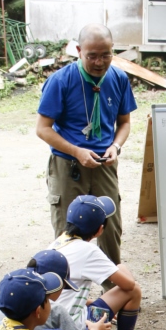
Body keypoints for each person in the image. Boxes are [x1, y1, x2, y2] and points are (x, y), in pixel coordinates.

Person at [36, 23, 136, 265]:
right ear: (79, 50)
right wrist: (77, 152)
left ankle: (112, 293)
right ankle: (68, 295)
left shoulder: (119, 79)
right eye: (92, 56)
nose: (99, 62)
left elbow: (124, 122)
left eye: (106, 55)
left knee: (110, 227)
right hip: (68, 165)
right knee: (68, 232)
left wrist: (116, 147)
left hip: (104, 164)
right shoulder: (60, 81)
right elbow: (42, 129)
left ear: (113, 50)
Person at [51, 194, 154, 330]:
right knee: (134, 290)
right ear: (99, 230)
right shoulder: (88, 250)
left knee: (120, 273)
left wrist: (86, 300)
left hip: (49, 327)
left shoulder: (55, 244)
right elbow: (129, 285)